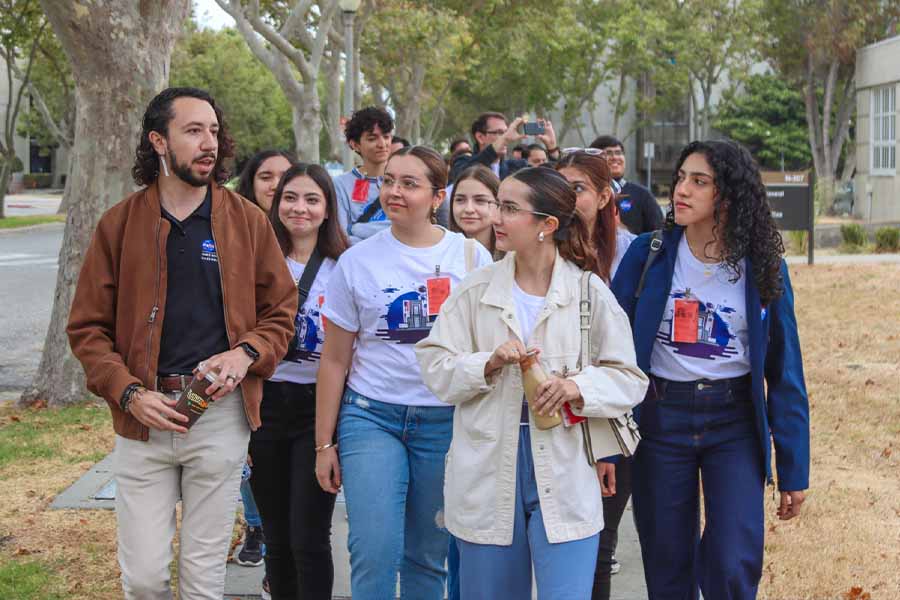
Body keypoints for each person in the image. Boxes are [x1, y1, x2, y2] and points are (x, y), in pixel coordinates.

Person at [66, 87, 297, 600]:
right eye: (193, 131)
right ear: (159, 141)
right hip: (141, 418)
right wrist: (129, 394)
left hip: (218, 414)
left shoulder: (246, 221)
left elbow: (282, 312)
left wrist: (246, 353)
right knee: (145, 577)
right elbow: (87, 329)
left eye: (213, 131)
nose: (208, 143)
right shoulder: (119, 225)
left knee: (203, 577)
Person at [415, 166, 648, 599]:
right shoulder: (474, 290)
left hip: (565, 463)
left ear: (547, 225)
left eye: (509, 208)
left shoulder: (587, 293)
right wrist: (486, 364)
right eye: (497, 206)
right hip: (486, 463)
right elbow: (435, 368)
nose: (496, 218)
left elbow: (629, 378)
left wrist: (578, 387)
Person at [611, 140, 810, 600]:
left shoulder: (762, 265)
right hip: (661, 417)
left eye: (699, 181)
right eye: (680, 178)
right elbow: (611, 350)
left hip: (734, 420)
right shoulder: (647, 254)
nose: (681, 190)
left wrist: (794, 468)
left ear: (730, 195)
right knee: (667, 559)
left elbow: (785, 372)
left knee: (733, 558)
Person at [315, 146, 493, 600]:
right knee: (373, 550)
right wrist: (324, 444)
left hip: (446, 421)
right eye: (388, 180)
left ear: (438, 196)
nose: (394, 191)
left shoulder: (472, 260)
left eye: (409, 184)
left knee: (428, 557)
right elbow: (335, 359)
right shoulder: (357, 260)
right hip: (371, 417)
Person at [249, 163, 349, 600]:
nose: (299, 208)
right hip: (264, 403)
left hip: (319, 408)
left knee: (309, 535)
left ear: (328, 209)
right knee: (276, 534)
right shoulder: (253, 257)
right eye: (290, 197)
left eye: (312, 199)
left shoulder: (346, 265)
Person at [554, 149, 632, 599]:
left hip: (611, 414)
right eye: (560, 187)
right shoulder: (541, 246)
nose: (567, 198)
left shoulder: (632, 254)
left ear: (605, 196)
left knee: (600, 544)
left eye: (578, 189)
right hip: (556, 414)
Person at [333, 106, 394, 243]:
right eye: (372, 139)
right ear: (355, 145)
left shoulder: (406, 180)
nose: (382, 144)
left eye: (386, 137)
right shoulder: (340, 185)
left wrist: (358, 229)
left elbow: (410, 228)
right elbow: (341, 238)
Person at [449, 112, 560, 182]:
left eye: (506, 132)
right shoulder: (462, 163)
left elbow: (554, 180)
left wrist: (552, 149)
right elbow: (465, 174)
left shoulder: (517, 167)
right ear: (480, 137)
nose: (507, 137)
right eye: (499, 132)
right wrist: (504, 139)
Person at [590, 135, 663, 235]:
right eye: (608, 153)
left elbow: (659, 234)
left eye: (618, 153)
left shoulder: (642, 195)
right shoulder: (588, 194)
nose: (615, 157)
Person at [448, 164, 501, 257]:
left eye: (480, 200)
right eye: (460, 200)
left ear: (498, 205)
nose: (469, 209)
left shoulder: (514, 258)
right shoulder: (441, 254)